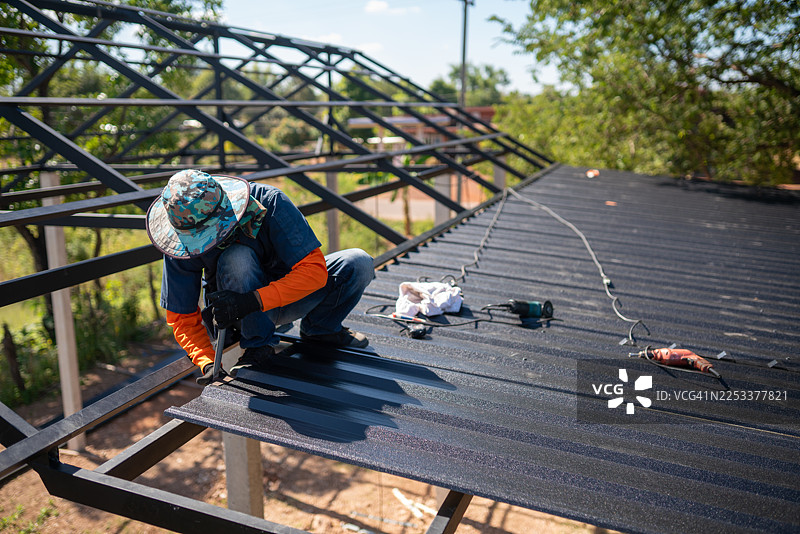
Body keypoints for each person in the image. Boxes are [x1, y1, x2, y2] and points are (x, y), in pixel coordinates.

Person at [145, 169, 373, 385]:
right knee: (237, 257)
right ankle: (258, 346)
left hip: (283, 298)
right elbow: (181, 317)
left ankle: (321, 330)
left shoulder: (270, 202)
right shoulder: (182, 239)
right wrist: (206, 361)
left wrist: (253, 300)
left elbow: (313, 271)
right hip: (237, 315)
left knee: (359, 262)